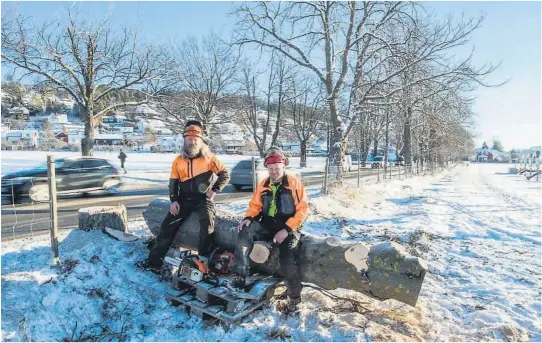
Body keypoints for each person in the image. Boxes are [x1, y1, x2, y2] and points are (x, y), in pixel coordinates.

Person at [138, 120, 230, 273]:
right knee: (167, 227)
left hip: (203, 199)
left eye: (195, 139)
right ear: (184, 140)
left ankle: (203, 265)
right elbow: (173, 182)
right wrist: (174, 201)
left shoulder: (209, 158)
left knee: (207, 226)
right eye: (189, 139)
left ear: (200, 141)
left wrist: (214, 190)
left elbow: (225, 175)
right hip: (183, 199)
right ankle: (153, 262)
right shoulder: (178, 160)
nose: (192, 141)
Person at [231, 147, 309, 312]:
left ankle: (294, 297)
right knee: (244, 232)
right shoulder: (263, 184)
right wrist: (248, 218)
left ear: (283, 166)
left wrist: (287, 229)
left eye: (277, 168)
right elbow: (255, 206)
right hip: (268, 223)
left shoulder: (294, 183)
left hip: (289, 226)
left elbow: (303, 210)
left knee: (287, 258)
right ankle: (240, 274)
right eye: (271, 168)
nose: (274, 172)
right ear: (267, 168)